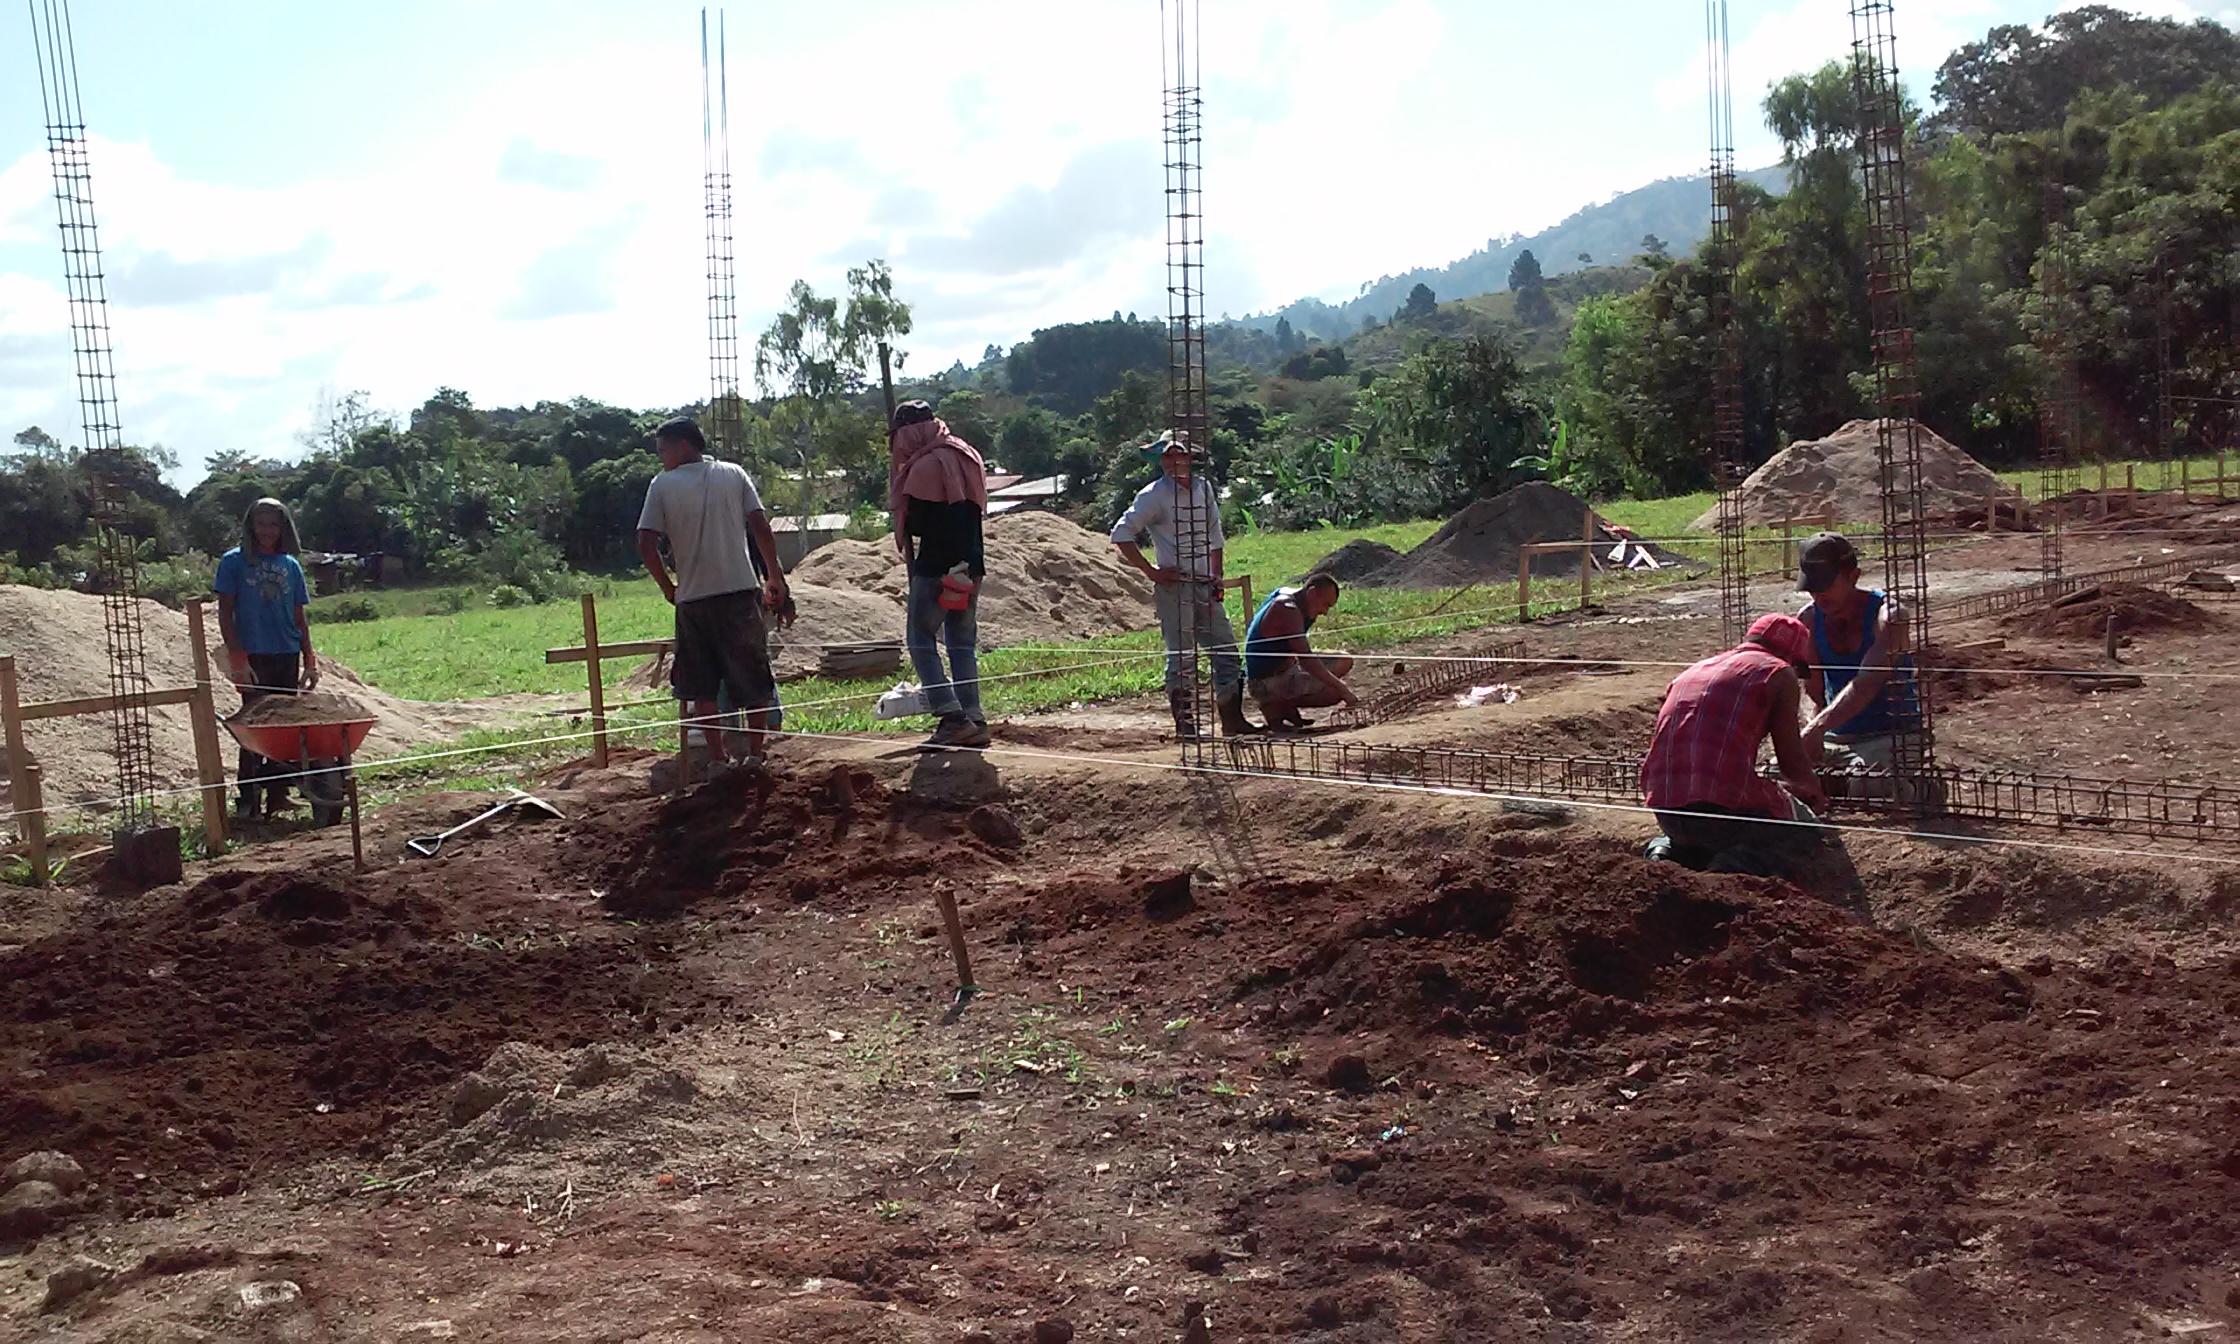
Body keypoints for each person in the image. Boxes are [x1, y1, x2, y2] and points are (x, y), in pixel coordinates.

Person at [635, 416, 788, 768]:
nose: (660, 458)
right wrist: (774, 575)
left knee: (701, 684)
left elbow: (645, 542)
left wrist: (667, 586)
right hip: (739, 591)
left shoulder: (662, 485)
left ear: (683, 445)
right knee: (752, 675)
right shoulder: (733, 474)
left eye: (663, 450)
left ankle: (718, 758)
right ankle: (755, 754)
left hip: (692, 600)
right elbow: (760, 525)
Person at [1640, 613, 1829, 876]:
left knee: (1702, 833)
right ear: (1792, 658)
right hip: (1722, 811)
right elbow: (1793, 764)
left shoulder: (1696, 669)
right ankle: (1730, 874)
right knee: (1806, 832)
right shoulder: (1779, 672)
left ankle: (1665, 853)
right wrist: (1813, 794)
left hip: (1665, 808)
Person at [1110, 430, 1252, 740]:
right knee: (1182, 657)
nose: (1171, 461)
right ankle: (1185, 726)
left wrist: (1217, 575)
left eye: (1178, 454)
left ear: (1190, 458)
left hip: (1204, 583)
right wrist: (1152, 572)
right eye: (1166, 456)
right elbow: (1121, 533)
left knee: (1226, 652)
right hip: (1176, 587)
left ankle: (1232, 718)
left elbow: (1215, 536)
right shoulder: (1153, 494)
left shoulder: (1203, 489)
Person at [889, 399, 991, 749]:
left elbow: (918, 523)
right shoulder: (966, 454)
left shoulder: (924, 468)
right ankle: (973, 715)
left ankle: (951, 716)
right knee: (962, 642)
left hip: (936, 568)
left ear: (909, 432)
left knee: (920, 639)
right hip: (971, 564)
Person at [1793, 531, 1925, 798]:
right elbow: (1812, 689)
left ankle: (1918, 788)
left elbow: (1867, 682)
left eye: (1826, 585)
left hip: (1891, 737)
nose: (1818, 595)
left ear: (1854, 576)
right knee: (1776, 777)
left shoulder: (1889, 618)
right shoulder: (1807, 619)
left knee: (1872, 783)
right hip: (1835, 737)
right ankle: (1835, 784)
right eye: (1812, 587)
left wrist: (1817, 727)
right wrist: (1809, 734)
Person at [214, 497, 318, 822]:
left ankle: (278, 795)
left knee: (284, 727)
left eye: (274, 524)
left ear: (283, 527)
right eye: (261, 523)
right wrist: (237, 658)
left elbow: (299, 618)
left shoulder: (291, 566)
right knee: (254, 727)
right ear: (250, 526)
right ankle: (248, 801)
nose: (268, 530)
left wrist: (309, 659)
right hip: (254, 654)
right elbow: (225, 615)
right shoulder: (234, 563)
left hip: (285, 652)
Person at [1243, 573, 1356, 728]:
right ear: (1312, 593)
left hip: (1287, 667)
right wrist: (1343, 690)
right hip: (1265, 682)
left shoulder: (1292, 597)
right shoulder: (1287, 608)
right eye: (1325, 605)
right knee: (1334, 693)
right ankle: (1274, 706)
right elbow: (1306, 658)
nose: (1324, 612)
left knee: (1344, 660)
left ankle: (1287, 707)